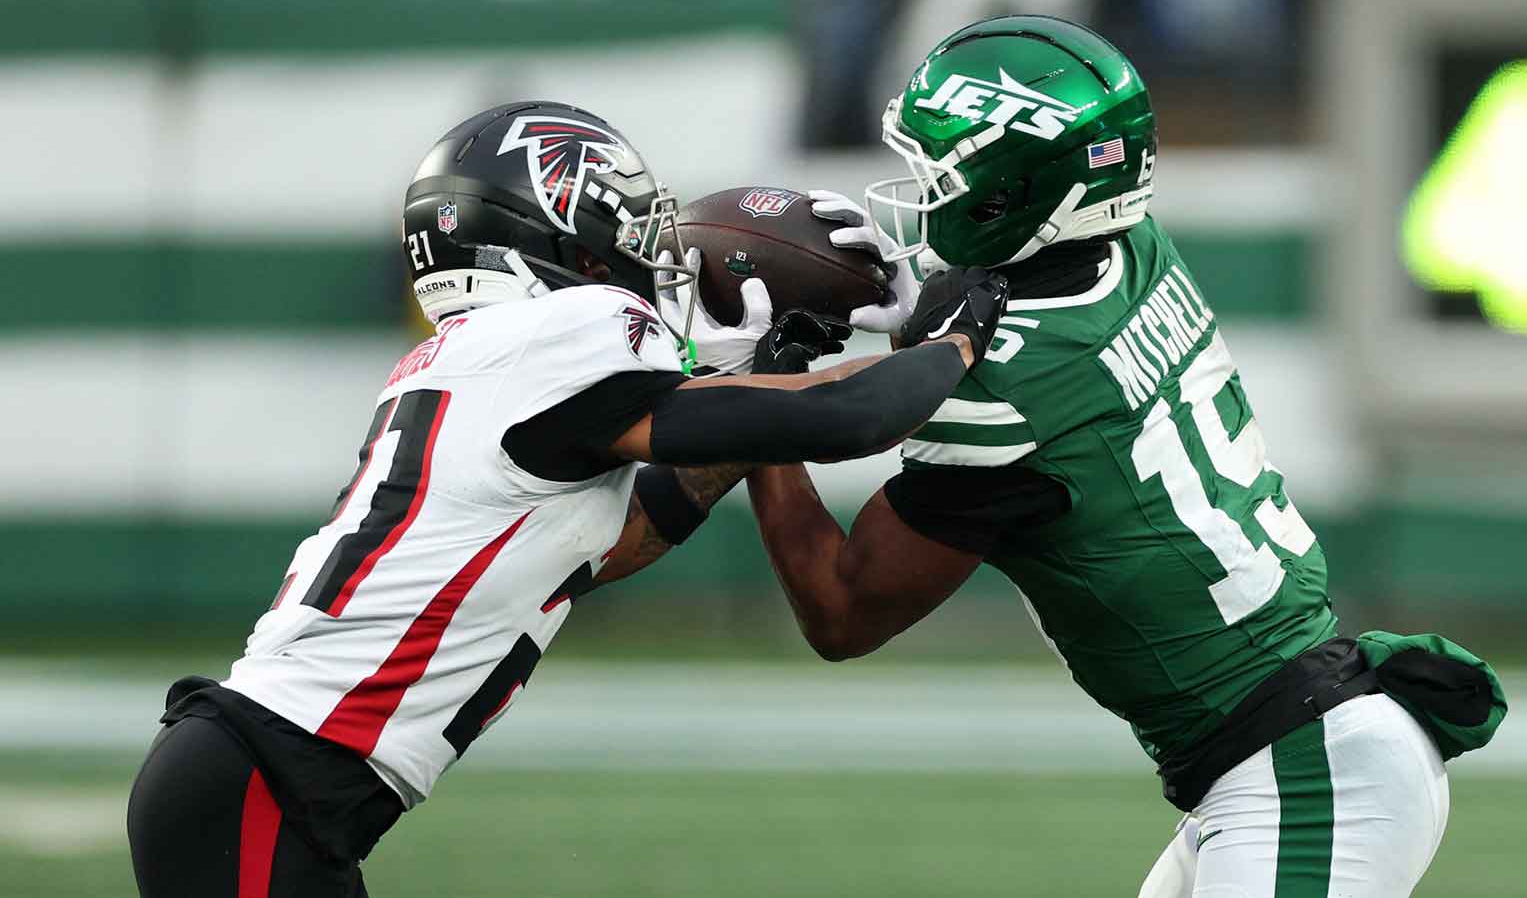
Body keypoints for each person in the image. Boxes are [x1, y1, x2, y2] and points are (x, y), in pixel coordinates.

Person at [125, 100, 1009, 898]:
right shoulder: (564, 333)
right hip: (272, 783)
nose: (642, 250)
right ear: (551, 225)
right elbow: (847, 415)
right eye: (617, 220)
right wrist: (959, 334)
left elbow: (613, 544)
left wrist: (764, 371)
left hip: (261, 784)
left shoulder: (472, 364)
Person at [752, 17, 1499, 898]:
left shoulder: (1002, 392)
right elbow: (1044, 342)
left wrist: (762, 404)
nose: (919, 195)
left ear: (1016, 192)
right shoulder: (1132, 250)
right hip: (1293, 745)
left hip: (1300, 770)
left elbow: (841, 611)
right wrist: (920, 311)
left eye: (941, 176)